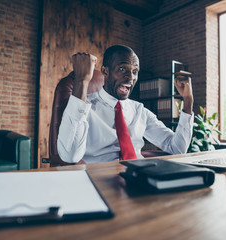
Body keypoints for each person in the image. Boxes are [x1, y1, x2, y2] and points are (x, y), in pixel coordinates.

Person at [57, 45, 194, 164]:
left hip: (138, 178)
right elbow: (70, 156)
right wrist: (82, 81)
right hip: (100, 180)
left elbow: (177, 148)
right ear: (105, 71)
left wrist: (188, 100)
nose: (131, 77)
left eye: (135, 71)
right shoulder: (83, 106)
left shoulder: (139, 110)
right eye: (122, 69)